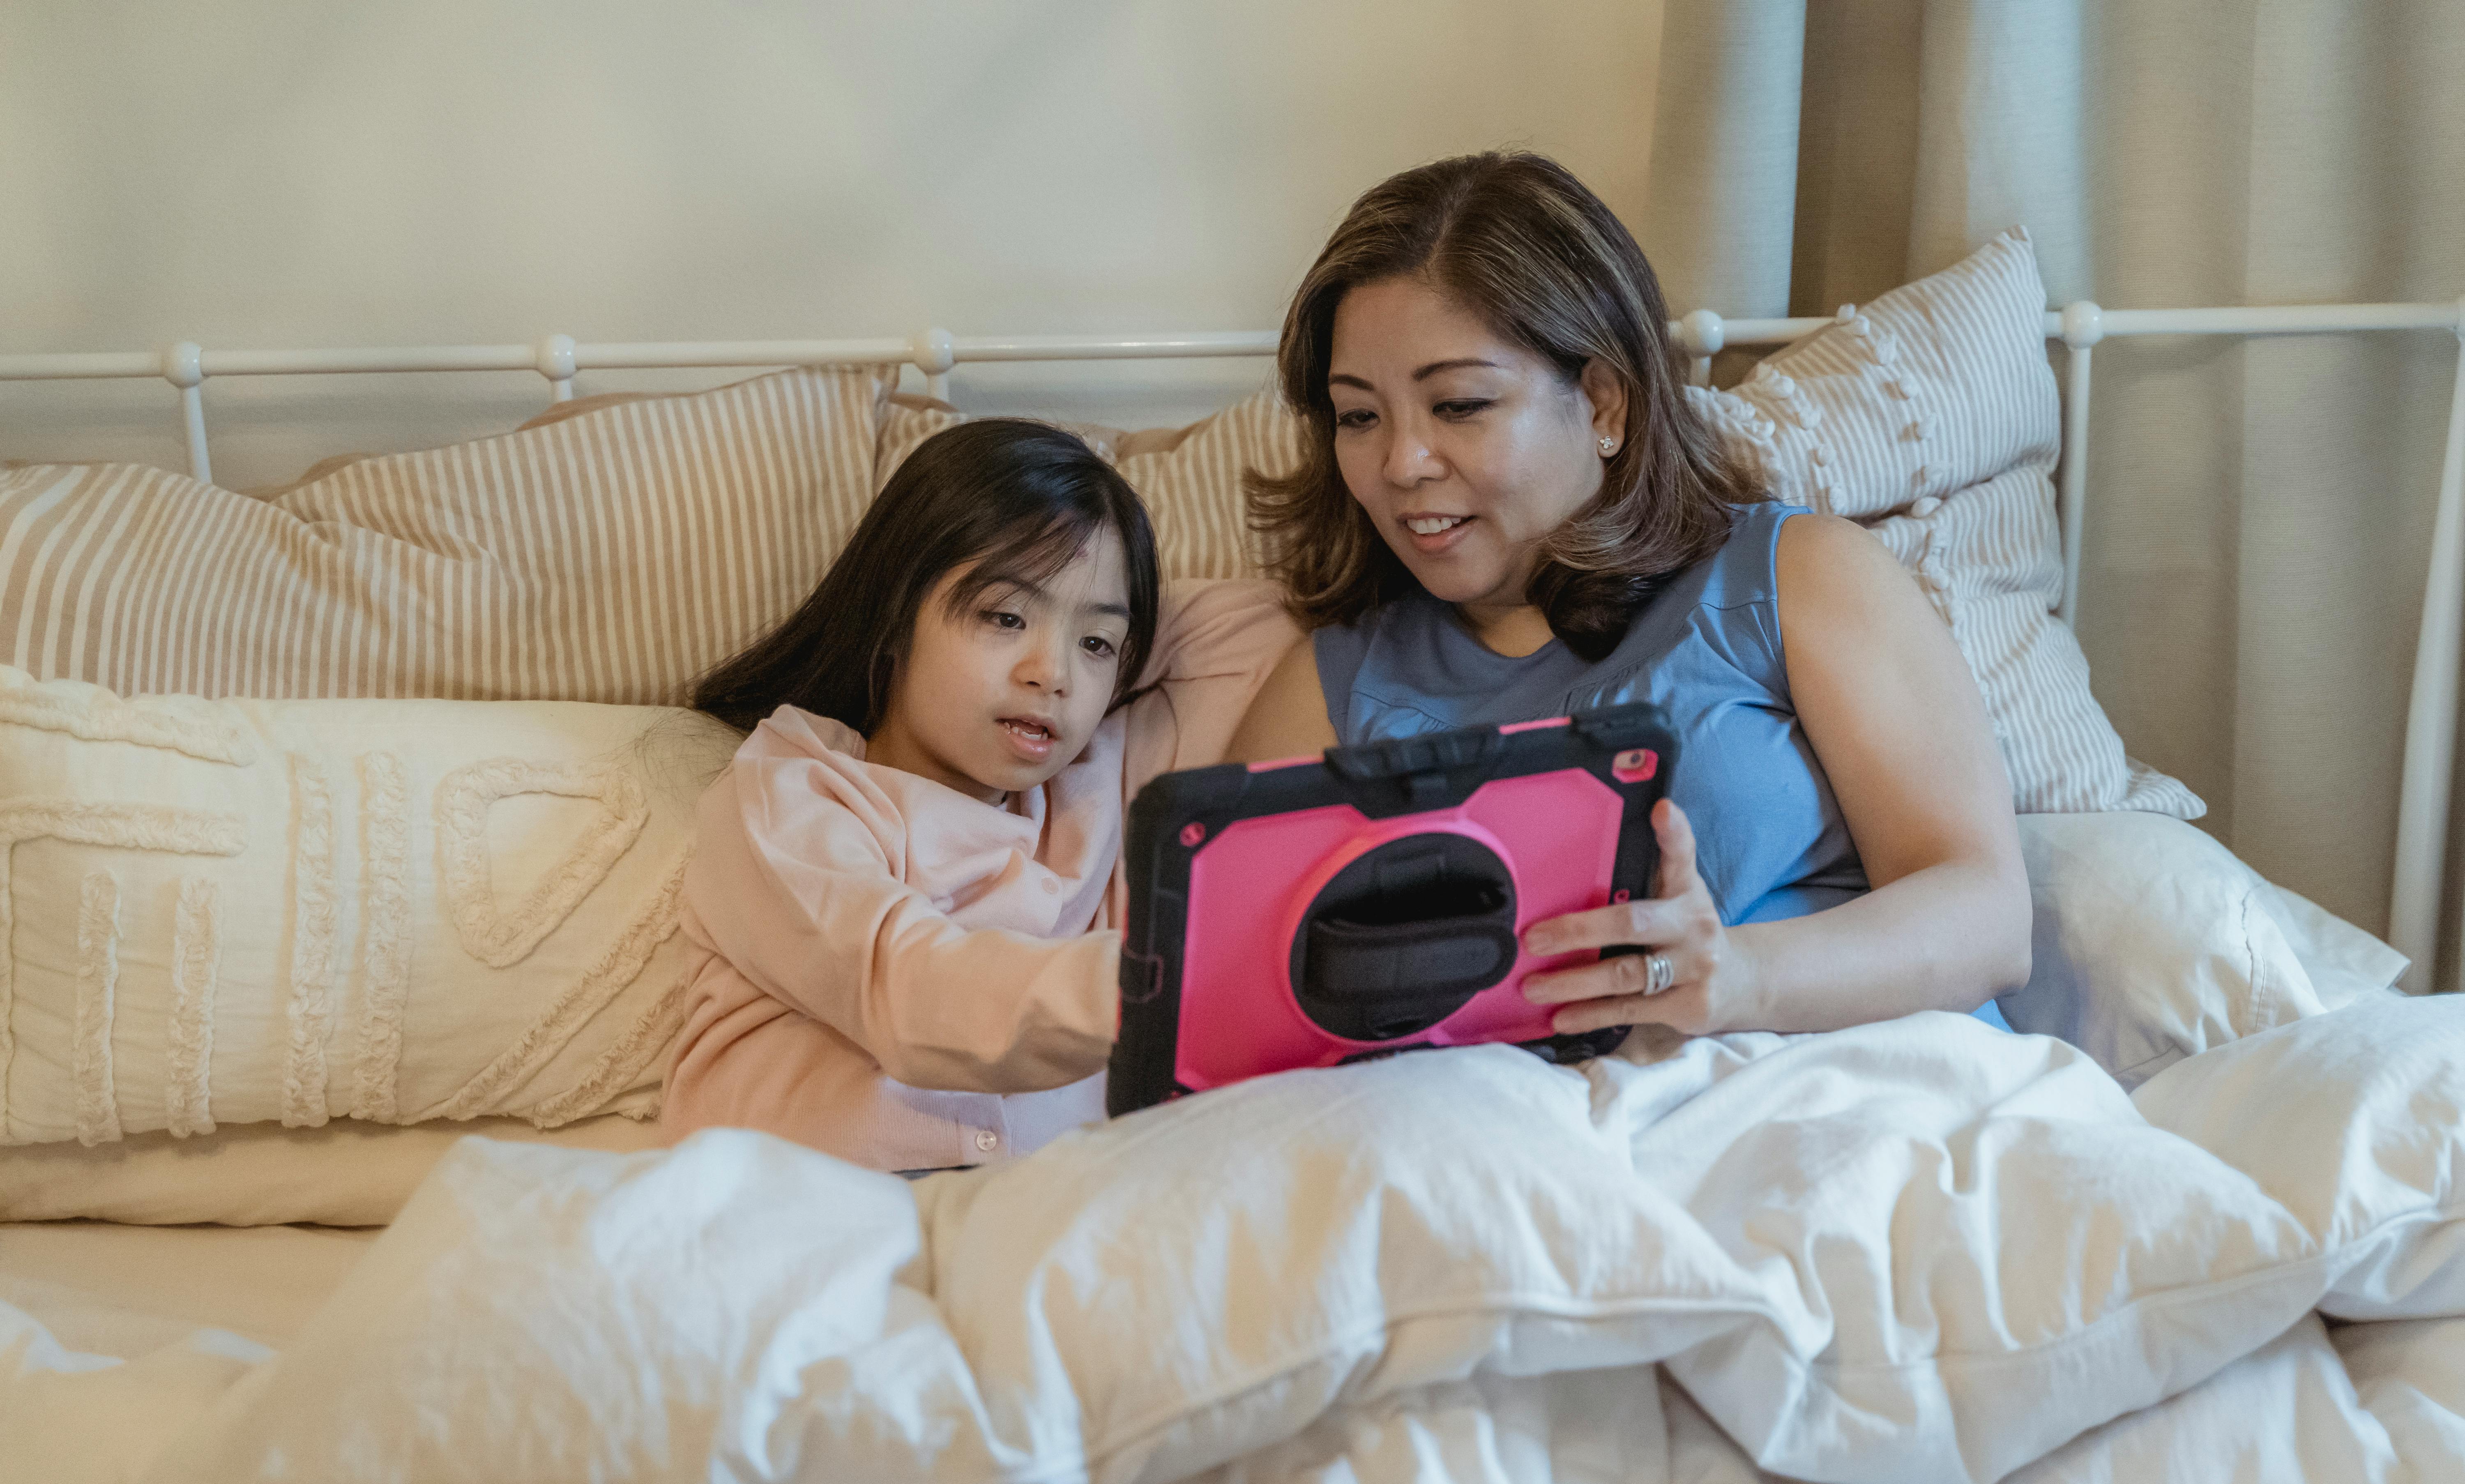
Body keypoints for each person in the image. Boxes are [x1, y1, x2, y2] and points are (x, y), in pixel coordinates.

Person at [1228, 152, 2030, 1035]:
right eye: (1359, 416)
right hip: (1510, 1114)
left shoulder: (1798, 575)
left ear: (1605, 403)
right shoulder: (1332, 686)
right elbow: (1223, 994)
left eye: (1458, 405)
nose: (1400, 464)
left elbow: (1989, 914)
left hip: (1853, 1079)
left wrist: (1742, 979)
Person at [664, 418, 1292, 1171]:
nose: (1052, 673)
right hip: (798, 1204)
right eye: (1005, 616)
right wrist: (1169, 973)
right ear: (893, 611)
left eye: (1095, 644)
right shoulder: (794, 793)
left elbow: (1275, 634)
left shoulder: (1101, 783)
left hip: (1030, 1213)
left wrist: (1114, 610)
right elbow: (910, 993)